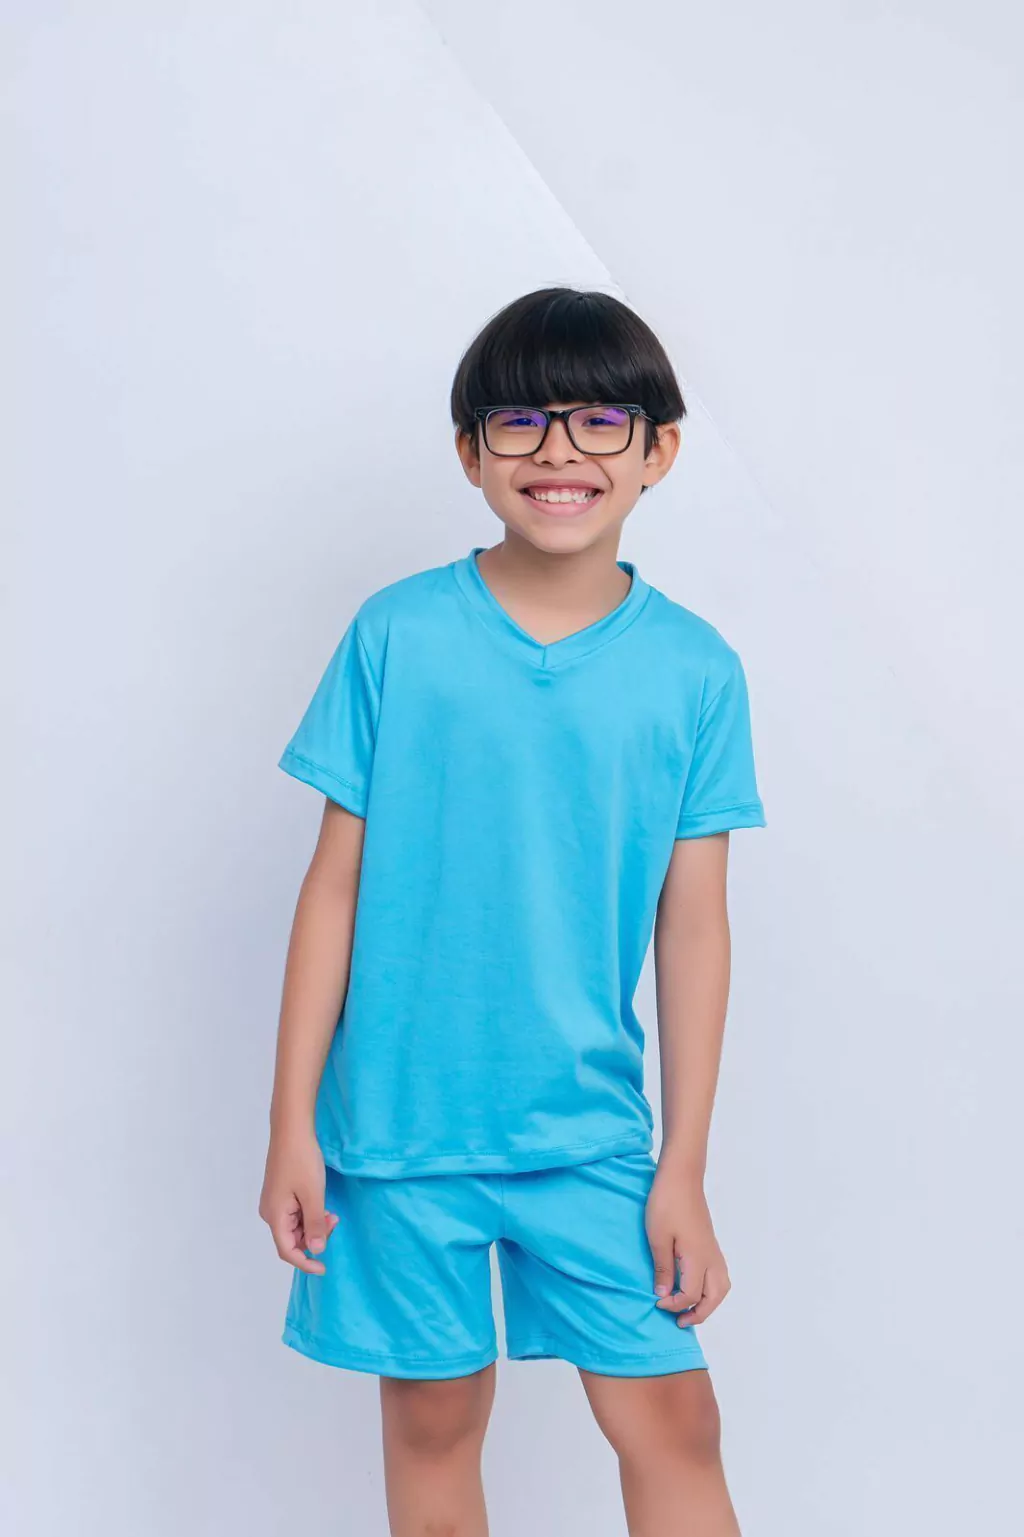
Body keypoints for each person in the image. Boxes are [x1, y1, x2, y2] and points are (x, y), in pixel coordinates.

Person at [259, 286, 766, 1537]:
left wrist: (682, 1165)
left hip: (586, 1131)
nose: (557, 452)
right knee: (434, 1424)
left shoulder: (694, 670)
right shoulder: (397, 634)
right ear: (470, 452)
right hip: (395, 1131)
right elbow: (332, 887)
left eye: (599, 420)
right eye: (521, 421)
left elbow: (693, 928)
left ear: (658, 451)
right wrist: (289, 1124)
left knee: (674, 1420)